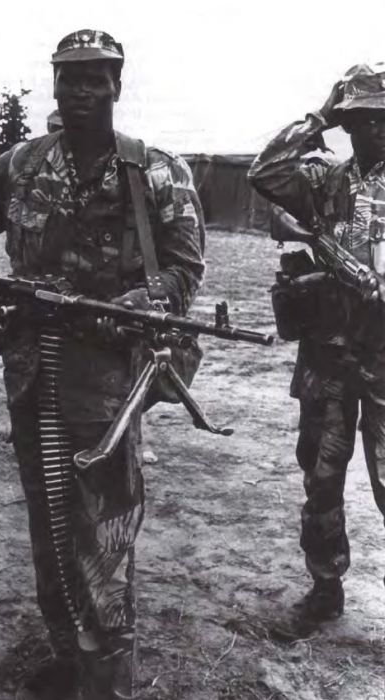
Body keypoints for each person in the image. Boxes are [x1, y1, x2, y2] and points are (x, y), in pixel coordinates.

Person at [0, 29, 205, 700]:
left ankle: (109, 676)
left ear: (117, 83)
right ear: (54, 84)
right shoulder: (22, 164)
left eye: (95, 79)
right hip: (31, 366)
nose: (81, 91)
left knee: (104, 532)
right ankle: (68, 654)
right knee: (50, 521)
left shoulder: (154, 170)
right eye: (69, 78)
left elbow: (186, 263)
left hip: (108, 379)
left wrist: (146, 297)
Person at [248, 63, 385, 624]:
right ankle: (326, 586)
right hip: (327, 355)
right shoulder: (324, 178)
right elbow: (264, 170)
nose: (371, 130)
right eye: (357, 120)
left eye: (380, 119)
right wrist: (319, 117)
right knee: (322, 478)